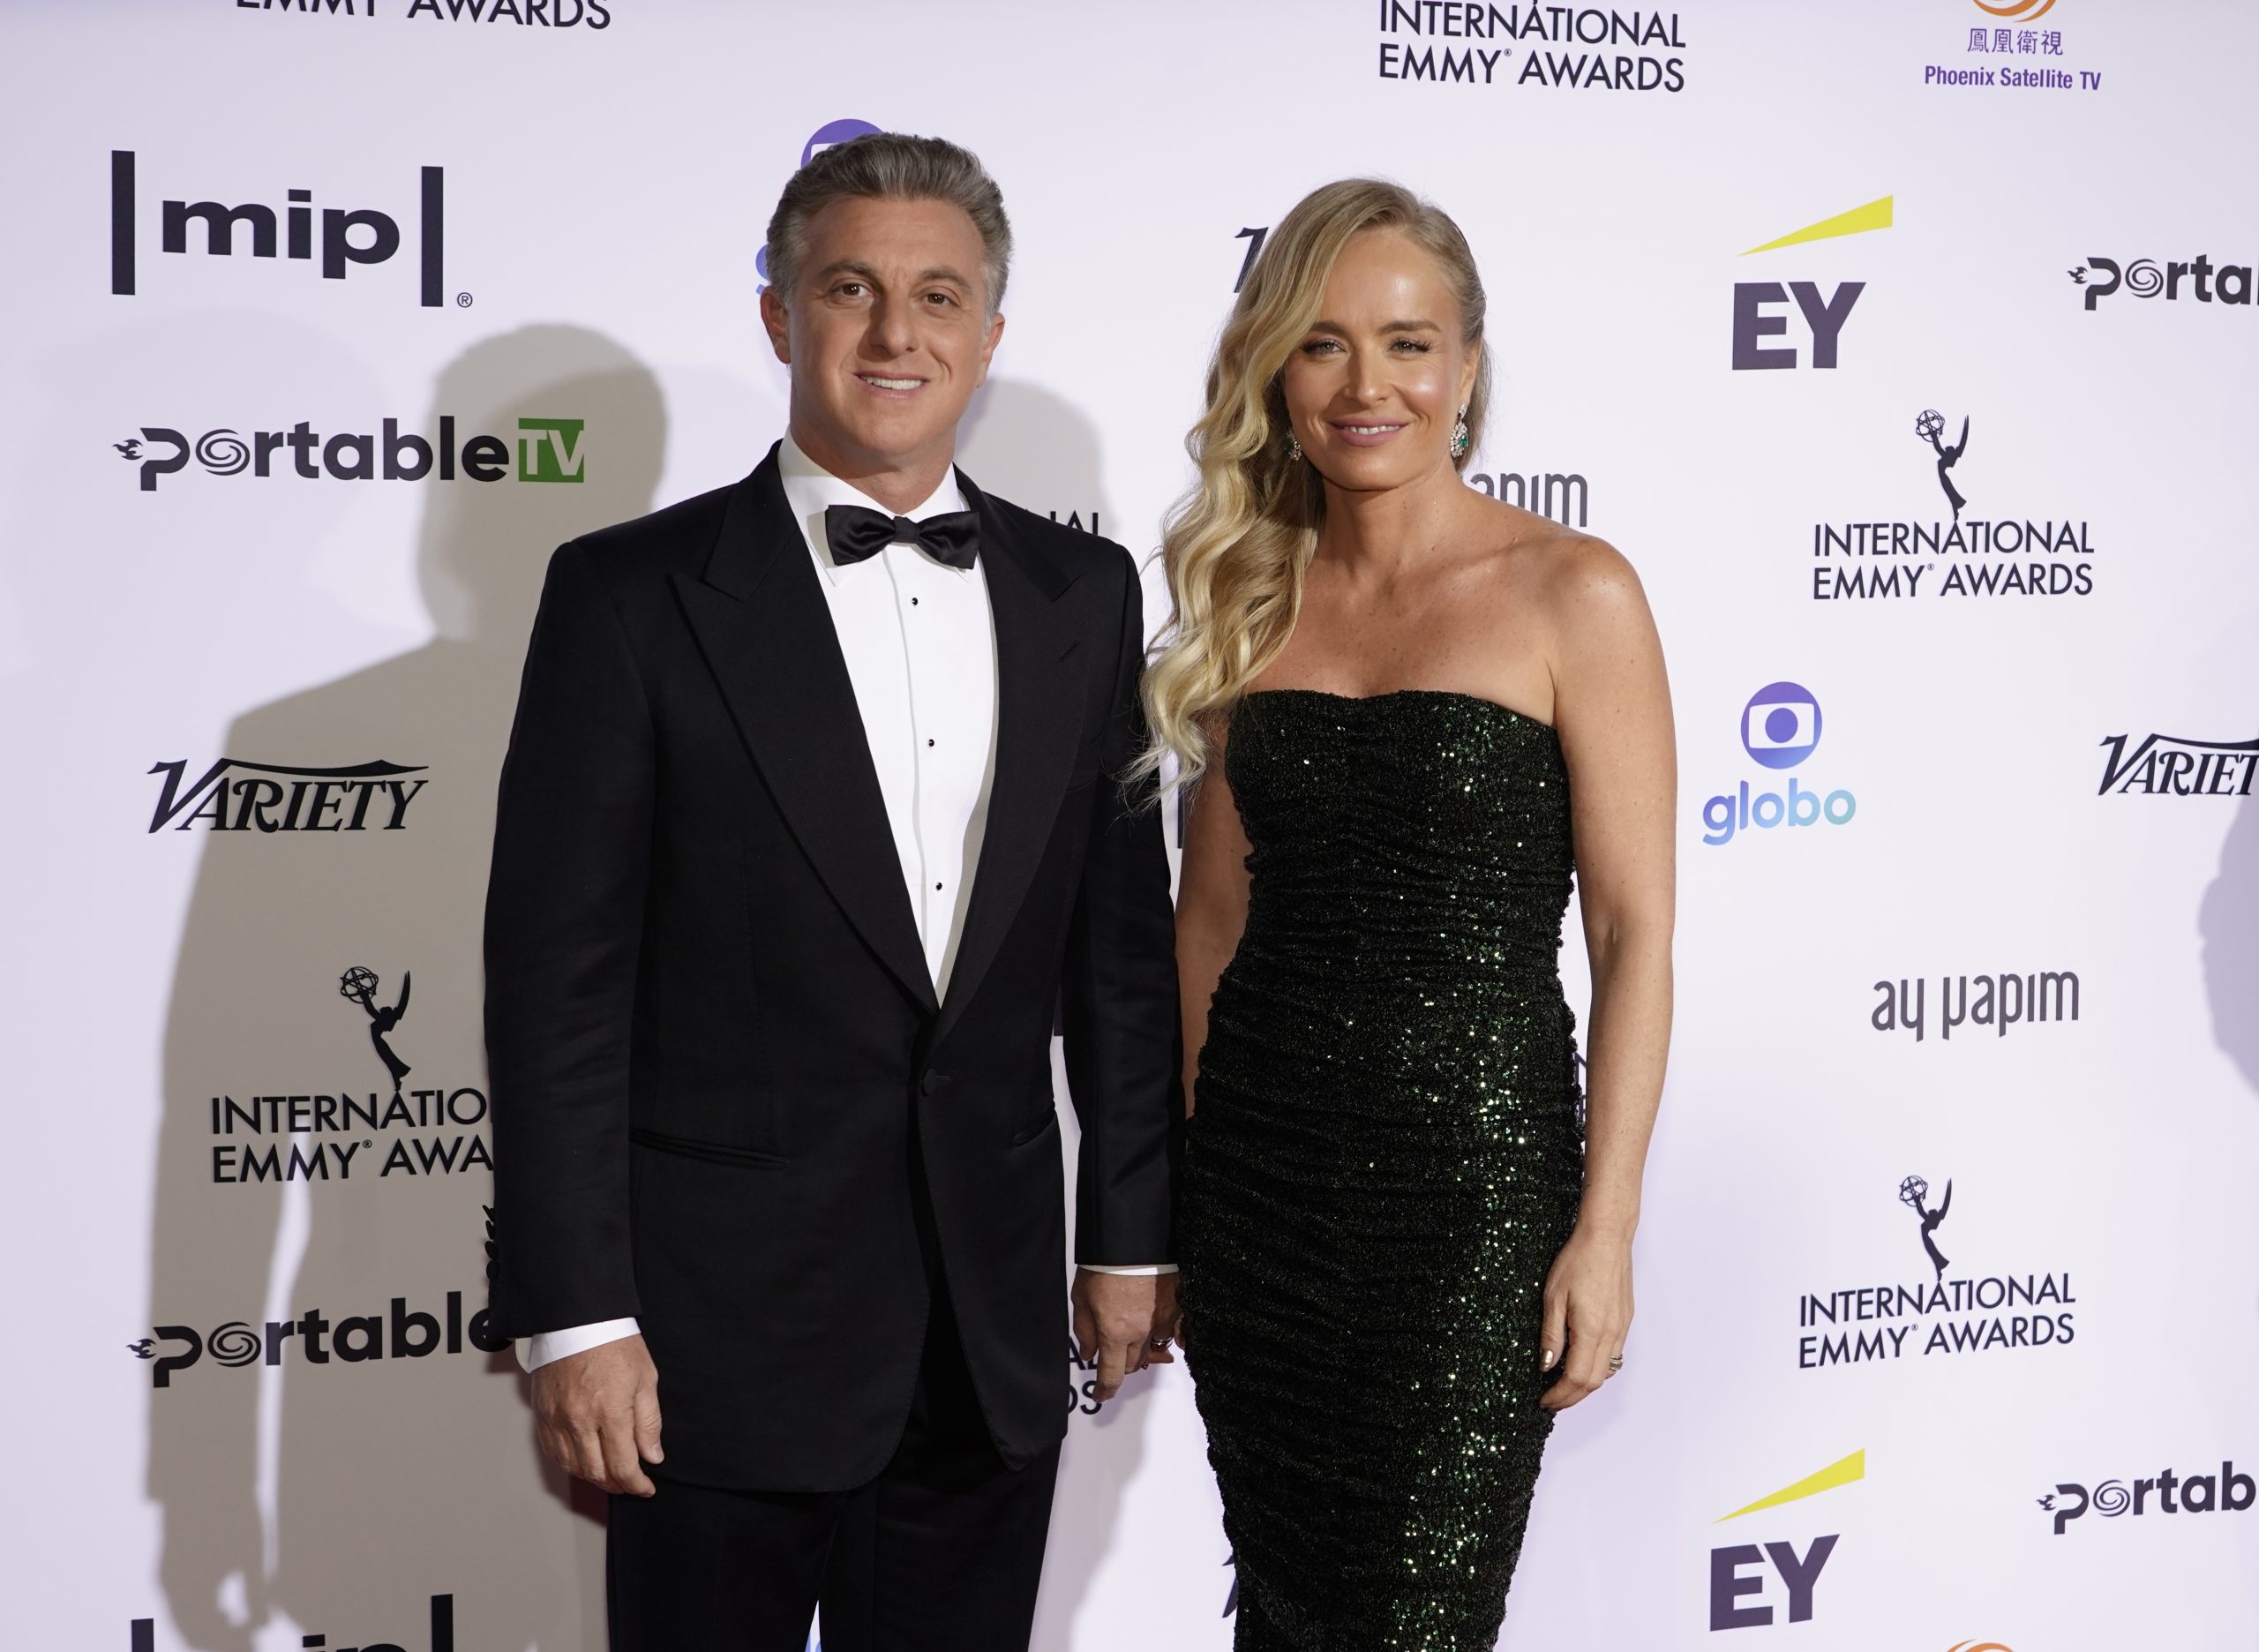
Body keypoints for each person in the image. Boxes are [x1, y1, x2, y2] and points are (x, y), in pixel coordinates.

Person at [483, 132, 1181, 1652]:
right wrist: (578, 1317)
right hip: (711, 1346)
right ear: (778, 313)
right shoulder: (630, 596)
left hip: (987, 1344)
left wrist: (1128, 1236)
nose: (894, 333)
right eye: (849, 287)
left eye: (940, 295)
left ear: (991, 334)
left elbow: (1119, 960)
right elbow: (557, 992)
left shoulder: (1087, 599)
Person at [1152, 179, 1676, 1648]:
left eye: (1408, 343)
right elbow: (1207, 926)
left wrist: (1608, 1228)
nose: (1367, 385)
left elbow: (1634, 937)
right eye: (1323, 345)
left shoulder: (1575, 591)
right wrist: (1192, 1192)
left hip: (1471, 1210)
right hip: (1259, 1200)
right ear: (1276, 373)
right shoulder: (1250, 601)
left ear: (1467, 366)